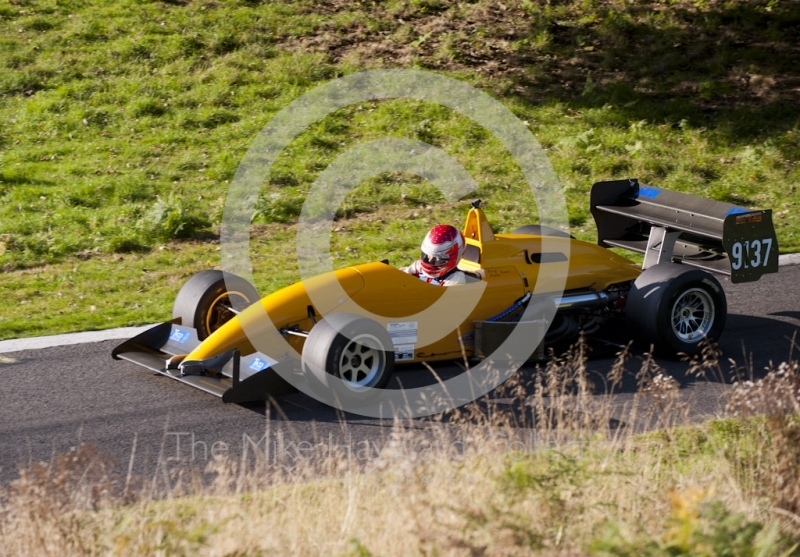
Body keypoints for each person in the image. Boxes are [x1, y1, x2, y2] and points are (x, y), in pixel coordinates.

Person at [402, 224, 473, 286]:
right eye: (427, 254)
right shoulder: (418, 267)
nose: (430, 260)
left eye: (438, 258)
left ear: (453, 257)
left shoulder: (455, 279)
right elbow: (400, 276)